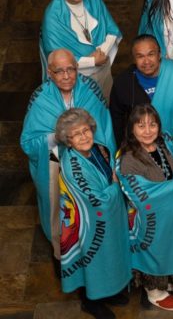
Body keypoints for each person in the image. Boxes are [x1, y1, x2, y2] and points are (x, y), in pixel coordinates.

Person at [21, 49, 115, 262]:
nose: (66, 76)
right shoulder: (40, 99)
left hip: (89, 161)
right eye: (59, 71)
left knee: (92, 212)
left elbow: (105, 128)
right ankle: (63, 253)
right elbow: (28, 143)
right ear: (50, 74)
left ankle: (95, 249)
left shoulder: (90, 89)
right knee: (62, 213)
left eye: (70, 69)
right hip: (55, 164)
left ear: (77, 69)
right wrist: (58, 136)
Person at [116, 104, 173, 312]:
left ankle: (171, 280)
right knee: (155, 247)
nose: (148, 130)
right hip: (149, 217)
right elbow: (142, 194)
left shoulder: (165, 143)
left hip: (172, 212)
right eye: (140, 126)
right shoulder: (128, 158)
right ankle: (155, 291)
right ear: (131, 129)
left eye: (152, 124)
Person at [55, 108, 130, 319]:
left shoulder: (97, 149)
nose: (84, 136)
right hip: (89, 225)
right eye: (76, 134)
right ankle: (92, 300)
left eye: (86, 130)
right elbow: (97, 201)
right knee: (95, 257)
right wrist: (116, 186)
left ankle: (109, 291)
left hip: (109, 219)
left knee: (111, 254)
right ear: (68, 141)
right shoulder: (72, 165)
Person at [41, 0, 121, 99]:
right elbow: (57, 59)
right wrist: (92, 61)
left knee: (108, 102)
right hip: (76, 78)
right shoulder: (52, 17)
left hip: (103, 67)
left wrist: (102, 53)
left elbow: (112, 30)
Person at [109, 34, 173, 146]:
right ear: (134, 59)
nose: (146, 61)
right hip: (141, 149)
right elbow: (117, 119)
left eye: (151, 54)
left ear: (159, 55)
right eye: (140, 56)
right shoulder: (123, 83)